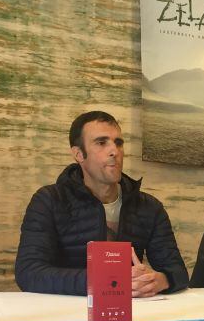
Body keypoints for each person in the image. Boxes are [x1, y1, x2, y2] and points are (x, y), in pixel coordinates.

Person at [15, 110, 188, 297]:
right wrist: (106, 281)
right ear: (79, 154)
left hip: (130, 312)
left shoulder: (149, 206)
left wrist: (159, 281)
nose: (114, 151)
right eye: (101, 143)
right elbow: (29, 273)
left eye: (118, 143)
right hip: (66, 312)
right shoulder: (49, 200)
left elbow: (177, 271)